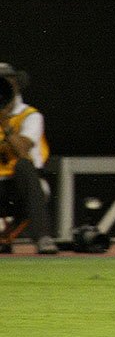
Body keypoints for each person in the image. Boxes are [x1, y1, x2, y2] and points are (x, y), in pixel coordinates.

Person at [0, 63, 58, 254]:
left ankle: (42, 237)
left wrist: (5, 124)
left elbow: (23, 151)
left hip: (21, 188)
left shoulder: (29, 116)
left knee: (24, 165)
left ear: (15, 84)